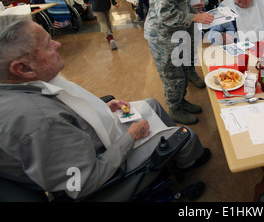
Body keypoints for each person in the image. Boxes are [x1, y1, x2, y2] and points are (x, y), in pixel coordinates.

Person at [0, 15, 210, 200]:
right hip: (103, 167)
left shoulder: (21, 86)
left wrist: (100, 107)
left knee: (151, 104)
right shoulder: (40, 121)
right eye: (47, 44)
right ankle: (188, 159)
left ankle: (173, 154)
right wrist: (131, 137)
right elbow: (83, 182)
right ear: (23, 68)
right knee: (185, 135)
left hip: (88, 139)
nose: (57, 44)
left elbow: (66, 111)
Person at [144, 0, 214, 125]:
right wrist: (194, 18)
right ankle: (174, 108)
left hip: (180, 29)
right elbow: (164, 13)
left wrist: (198, 2)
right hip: (163, 34)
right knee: (172, 74)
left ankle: (181, 101)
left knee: (183, 69)